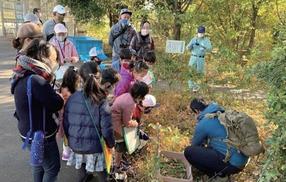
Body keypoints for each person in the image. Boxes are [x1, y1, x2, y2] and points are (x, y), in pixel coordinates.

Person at [11, 38, 64, 182]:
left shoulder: (22, 73)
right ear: (43, 58)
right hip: (41, 135)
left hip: (27, 132)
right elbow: (56, 104)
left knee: (39, 165)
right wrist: (59, 96)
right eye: (54, 59)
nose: (56, 62)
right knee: (52, 168)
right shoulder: (37, 80)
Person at [64, 62, 115, 182]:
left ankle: (84, 178)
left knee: (81, 168)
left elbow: (66, 124)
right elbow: (106, 129)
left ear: (80, 77)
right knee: (102, 173)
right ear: (99, 77)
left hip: (75, 143)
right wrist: (111, 144)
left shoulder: (72, 98)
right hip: (95, 147)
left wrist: (71, 140)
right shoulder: (101, 100)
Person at [184, 98, 249, 181]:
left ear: (197, 111)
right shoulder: (222, 112)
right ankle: (222, 172)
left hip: (232, 165)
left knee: (189, 151)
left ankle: (218, 176)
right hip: (243, 160)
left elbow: (195, 145)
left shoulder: (204, 122)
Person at [111, 81, 149, 172]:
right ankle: (117, 165)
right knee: (120, 145)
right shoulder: (130, 103)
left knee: (119, 145)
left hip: (113, 122)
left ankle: (118, 161)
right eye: (143, 96)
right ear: (140, 96)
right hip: (116, 126)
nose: (143, 99)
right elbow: (127, 122)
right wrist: (135, 123)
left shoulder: (127, 95)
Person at [57, 66, 81, 161]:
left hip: (66, 115)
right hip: (68, 116)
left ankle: (67, 152)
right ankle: (67, 153)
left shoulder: (63, 87)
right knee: (69, 135)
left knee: (68, 135)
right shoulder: (69, 90)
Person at [186, 26, 212, 91]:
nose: (201, 34)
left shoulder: (206, 40)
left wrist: (204, 47)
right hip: (193, 57)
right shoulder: (194, 39)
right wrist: (191, 45)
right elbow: (187, 48)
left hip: (201, 58)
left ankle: (197, 87)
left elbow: (210, 48)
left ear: (204, 33)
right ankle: (191, 86)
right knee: (190, 71)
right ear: (197, 32)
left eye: (202, 33)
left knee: (199, 73)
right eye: (199, 33)